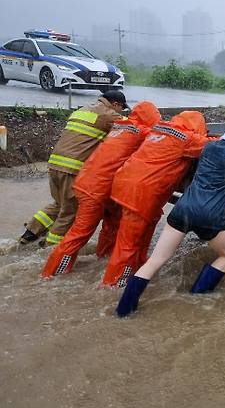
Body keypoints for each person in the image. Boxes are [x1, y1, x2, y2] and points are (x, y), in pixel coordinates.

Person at [115, 118, 225, 317]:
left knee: (156, 260)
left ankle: (123, 310)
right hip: (209, 216)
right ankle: (196, 299)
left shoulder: (209, 148)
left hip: (182, 210)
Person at [41, 102, 161, 278]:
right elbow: (164, 137)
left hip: (88, 182)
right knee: (80, 234)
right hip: (95, 189)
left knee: (111, 224)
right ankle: (51, 274)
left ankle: (102, 257)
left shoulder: (120, 127)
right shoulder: (140, 132)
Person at [102, 110, 210, 287]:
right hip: (140, 194)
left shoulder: (160, 129)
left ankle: (131, 272)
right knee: (128, 246)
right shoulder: (185, 138)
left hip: (123, 186)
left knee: (129, 238)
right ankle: (112, 287)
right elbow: (216, 146)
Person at [20, 91, 126, 246]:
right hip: (71, 168)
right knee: (71, 210)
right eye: (122, 109)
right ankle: (49, 250)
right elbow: (132, 126)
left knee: (59, 204)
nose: (121, 112)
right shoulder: (108, 114)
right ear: (116, 104)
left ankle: (29, 234)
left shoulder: (83, 109)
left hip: (55, 163)